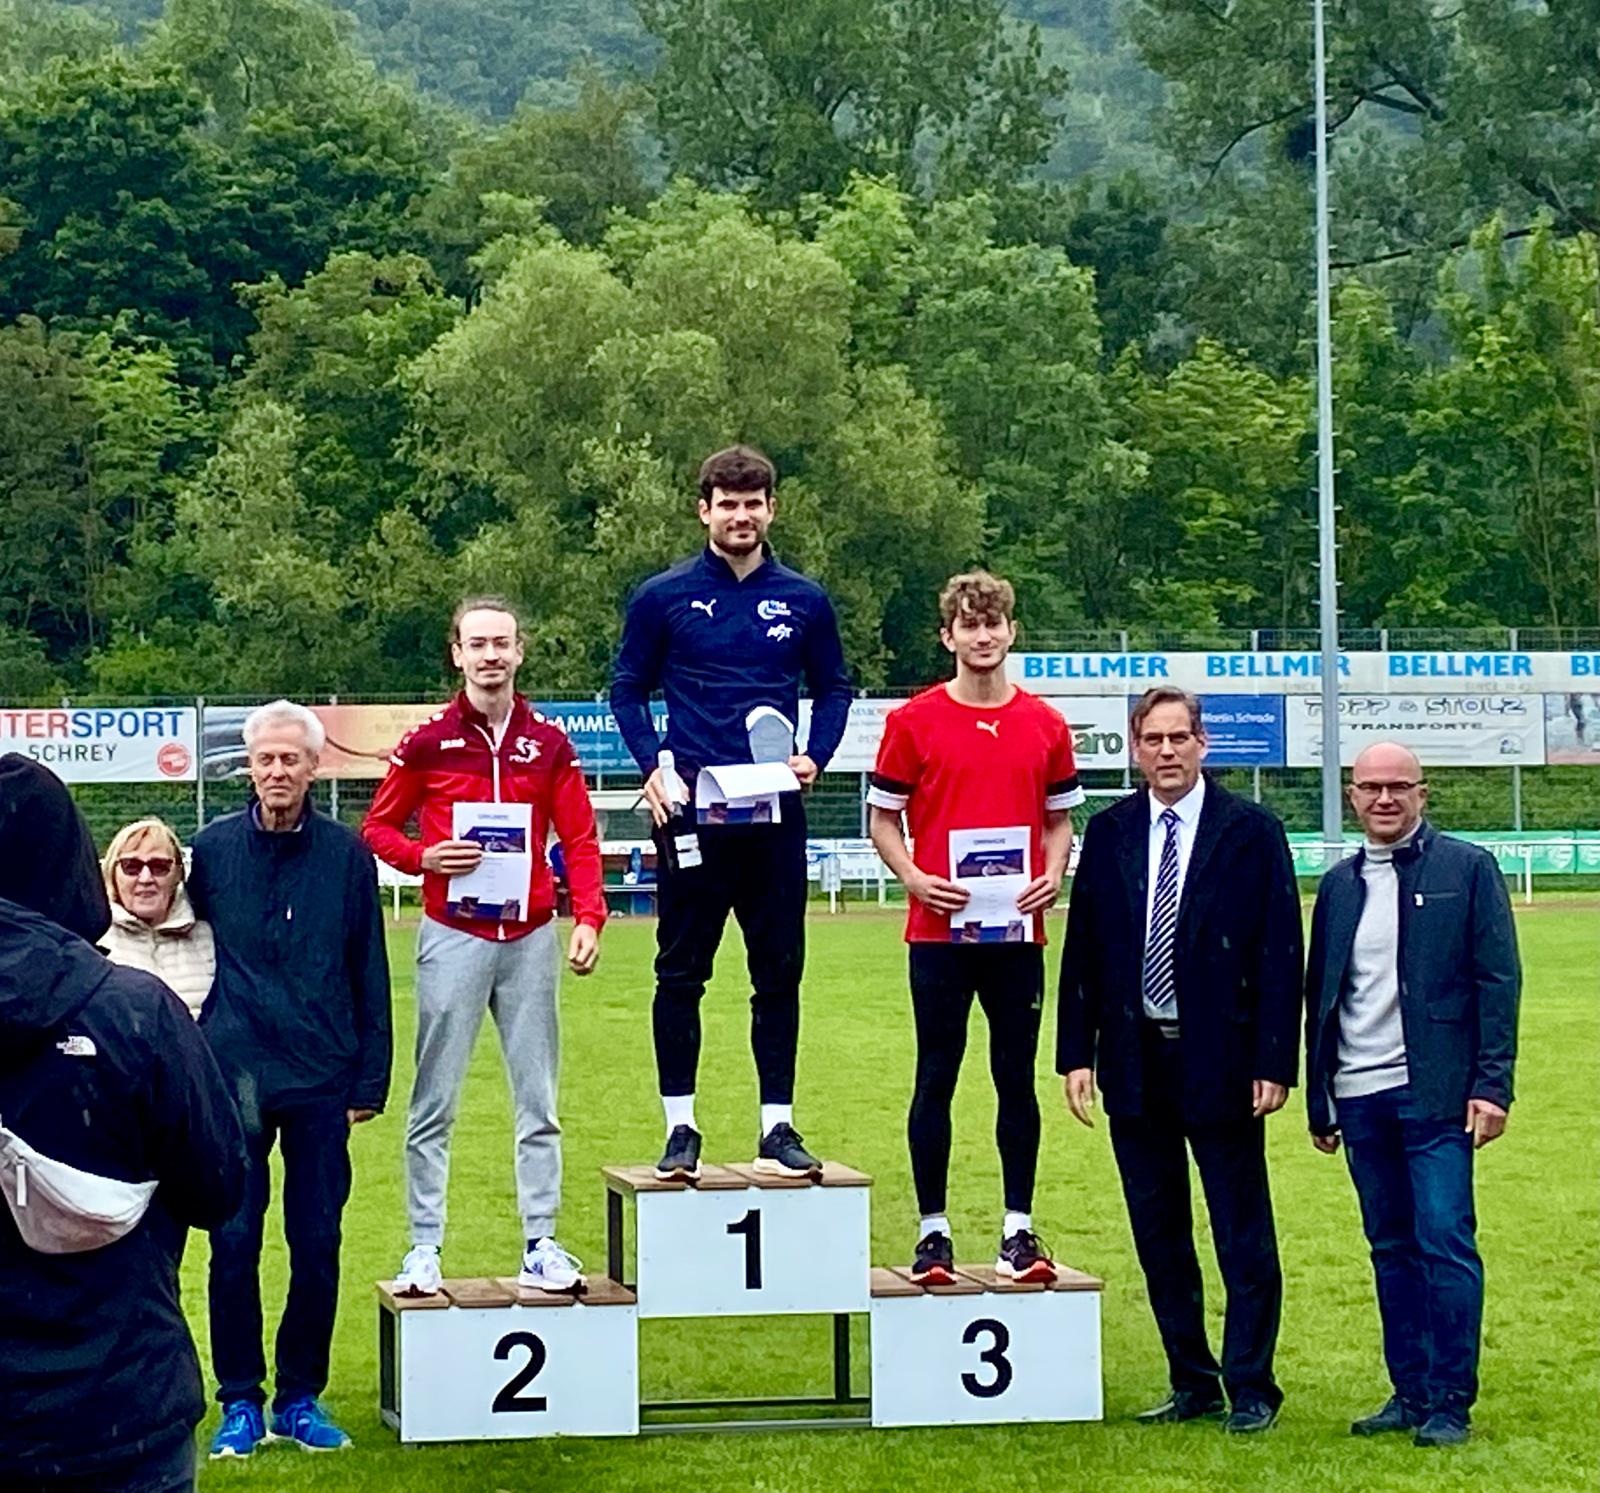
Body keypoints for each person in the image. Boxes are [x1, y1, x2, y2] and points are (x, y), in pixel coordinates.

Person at [1058, 686, 1302, 1434]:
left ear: (1203, 744)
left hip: (1223, 1062)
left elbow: (1280, 951)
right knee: (1159, 1233)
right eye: (1153, 739)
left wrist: (1274, 1060)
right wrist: (1075, 1053)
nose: (1166, 751)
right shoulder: (1111, 831)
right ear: (1136, 749)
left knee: (1241, 1231)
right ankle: (1192, 1380)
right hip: (1135, 1063)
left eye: (1179, 737)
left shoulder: (1251, 832)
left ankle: (1252, 1385)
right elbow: (1085, 949)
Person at [0, 754, 244, 1493]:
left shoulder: (132, 1009)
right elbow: (217, 1183)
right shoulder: (135, 1011)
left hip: (114, 1400)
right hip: (119, 1402)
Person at [610, 444, 853, 1181]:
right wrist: (653, 766)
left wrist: (816, 755)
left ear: (771, 509)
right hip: (692, 813)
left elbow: (834, 688)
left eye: (753, 503)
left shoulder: (805, 599)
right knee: (681, 972)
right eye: (728, 504)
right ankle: (680, 1128)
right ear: (704, 510)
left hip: (773, 816)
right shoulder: (663, 596)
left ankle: (776, 1125)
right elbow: (627, 688)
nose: (741, 516)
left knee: (778, 972)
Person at [363, 597, 606, 1298]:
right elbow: (377, 827)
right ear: (458, 654)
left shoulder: (549, 744)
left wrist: (588, 916)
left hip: (529, 937)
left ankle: (540, 1241)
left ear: (519, 651)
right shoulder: (428, 743)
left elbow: (579, 836)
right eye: (478, 644)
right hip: (454, 934)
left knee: (539, 1098)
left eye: (502, 642)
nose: (491, 655)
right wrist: (423, 857)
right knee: (434, 1097)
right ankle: (423, 1247)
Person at [188, 701, 392, 1459]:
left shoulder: (346, 855)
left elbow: (368, 965)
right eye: (265, 759)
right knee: (233, 1240)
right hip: (232, 1075)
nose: (277, 771)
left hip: (320, 1076)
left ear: (314, 766)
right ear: (250, 767)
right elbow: (176, 947)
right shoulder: (211, 851)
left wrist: (369, 1080)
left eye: (290, 759)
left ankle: (301, 1396)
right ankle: (240, 1399)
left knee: (317, 1240)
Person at [867, 571, 1082, 1284]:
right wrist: (913, 877)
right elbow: (882, 818)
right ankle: (933, 1232)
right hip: (939, 935)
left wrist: (1053, 873)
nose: (982, 636)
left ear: (1011, 631)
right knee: (937, 1073)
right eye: (969, 624)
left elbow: (1059, 820)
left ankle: (1019, 1231)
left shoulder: (1045, 724)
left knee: (1015, 1078)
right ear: (948, 636)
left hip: (1016, 935)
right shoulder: (914, 721)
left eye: (993, 623)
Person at [1305, 741, 1520, 1447]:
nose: (1385, 798)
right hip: (1358, 1095)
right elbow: (1322, 997)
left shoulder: (1467, 869)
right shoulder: (1338, 886)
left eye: (1399, 786)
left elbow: (1498, 981)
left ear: (1423, 793)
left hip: (1436, 1094)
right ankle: (1410, 1390)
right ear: (1352, 795)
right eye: (1371, 787)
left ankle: (1451, 1401)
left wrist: (1493, 1085)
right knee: (1390, 1246)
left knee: (1445, 1239)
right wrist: (1320, 1098)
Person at [97, 816, 215, 1018]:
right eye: (131, 866)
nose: (145, 879)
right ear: (112, 873)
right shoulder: (92, 942)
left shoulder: (208, 938)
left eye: (159, 866)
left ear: (178, 873)